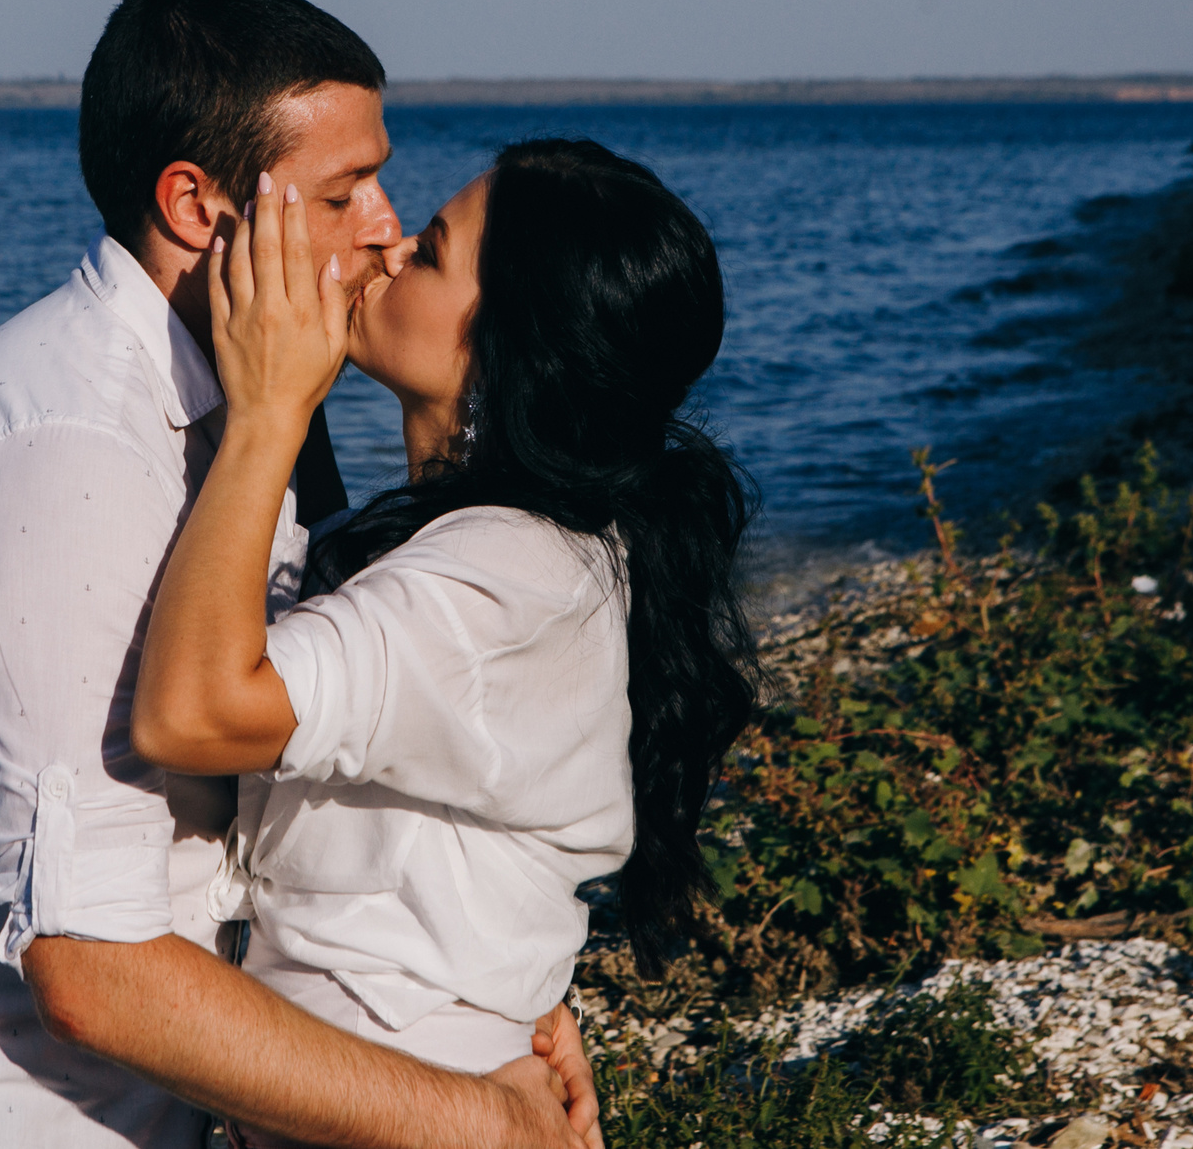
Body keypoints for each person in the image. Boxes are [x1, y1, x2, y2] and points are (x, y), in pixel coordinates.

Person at [0, 0, 597, 1149]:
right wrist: (482, 1123)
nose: (386, 225)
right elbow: (92, 968)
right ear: (196, 204)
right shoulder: (68, 445)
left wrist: (501, 990)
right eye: (344, 191)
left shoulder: (261, 395)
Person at [131, 139, 760, 1112]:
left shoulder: (501, 576)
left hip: (417, 1111)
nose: (384, 245)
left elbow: (196, 714)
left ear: (512, 341)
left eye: (428, 251)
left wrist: (266, 414)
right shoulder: (536, 548)